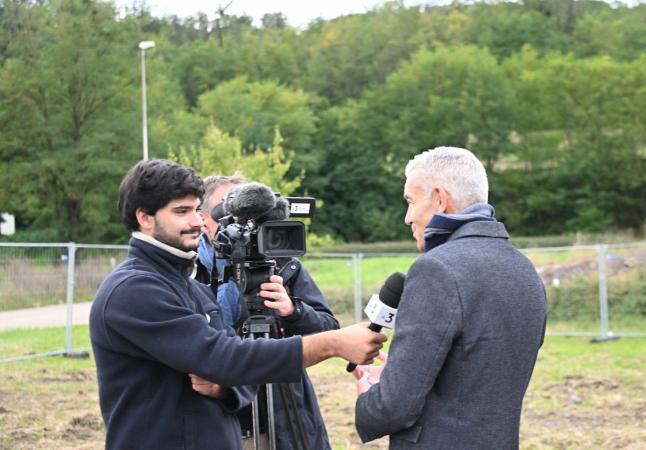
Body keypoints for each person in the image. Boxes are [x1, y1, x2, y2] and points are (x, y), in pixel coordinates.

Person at [89, 159, 386, 450]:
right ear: (145, 218)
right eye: (182, 211)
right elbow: (226, 357)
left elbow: (236, 372)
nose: (196, 221)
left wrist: (224, 386)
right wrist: (332, 343)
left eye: (195, 210)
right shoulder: (134, 289)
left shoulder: (189, 286)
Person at [353, 147, 547, 449]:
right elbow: (476, 372)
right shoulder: (522, 268)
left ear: (440, 199)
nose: (408, 218)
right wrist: (404, 368)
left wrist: (371, 396)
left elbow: (393, 406)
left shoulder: (436, 269)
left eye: (411, 202)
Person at [196, 174, 338, 449]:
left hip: (284, 414)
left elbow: (330, 329)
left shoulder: (283, 265)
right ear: (203, 218)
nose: (243, 221)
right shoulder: (191, 273)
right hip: (219, 421)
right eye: (230, 208)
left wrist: (293, 310)